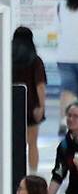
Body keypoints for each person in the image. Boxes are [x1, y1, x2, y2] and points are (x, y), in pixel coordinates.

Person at [12, 27, 47, 173]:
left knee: (11, 142)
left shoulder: (7, 58)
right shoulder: (35, 60)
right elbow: (40, 86)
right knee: (32, 143)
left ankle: (12, 172)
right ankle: (32, 173)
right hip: (31, 107)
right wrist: (41, 106)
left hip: (10, 105)